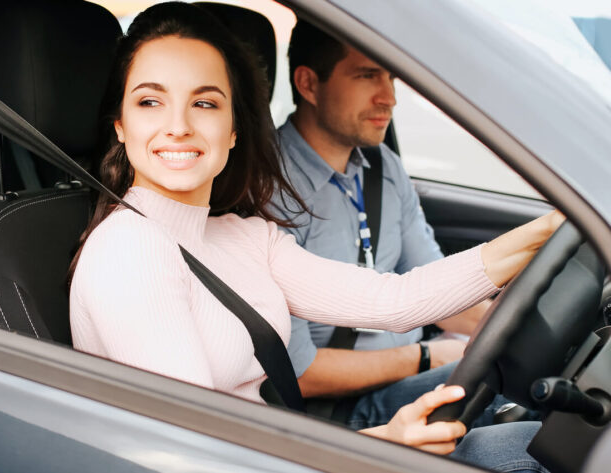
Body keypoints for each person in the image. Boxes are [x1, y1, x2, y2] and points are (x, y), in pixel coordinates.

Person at [69, 2, 554, 469]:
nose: (178, 126)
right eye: (151, 101)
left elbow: (396, 300)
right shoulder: (129, 250)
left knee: (533, 443)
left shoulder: (244, 236)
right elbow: (199, 452)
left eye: (205, 102)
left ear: (234, 128)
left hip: (276, 451)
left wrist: (552, 231)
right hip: (249, 460)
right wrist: (379, 448)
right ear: (120, 125)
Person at [271, 20, 504, 431]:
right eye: (367, 76)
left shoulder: (382, 168)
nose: (390, 97)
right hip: (340, 410)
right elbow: (300, 374)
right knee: (511, 396)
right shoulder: (272, 189)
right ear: (308, 84)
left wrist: (502, 330)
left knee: (517, 373)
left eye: (391, 77)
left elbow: (440, 289)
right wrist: (430, 357)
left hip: (408, 372)